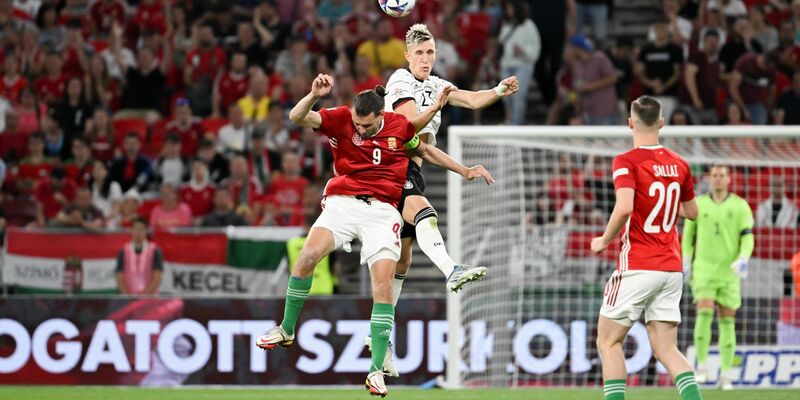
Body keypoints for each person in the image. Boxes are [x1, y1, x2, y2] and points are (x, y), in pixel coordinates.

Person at [255, 74, 493, 397]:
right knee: (308, 255)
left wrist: (464, 169)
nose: (360, 131)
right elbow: (296, 117)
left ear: (381, 116)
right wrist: (312, 95)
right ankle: (285, 329)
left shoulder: (398, 127)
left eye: (366, 126)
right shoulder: (341, 119)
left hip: (383, 211)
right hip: (343, 203)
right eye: (356, 123)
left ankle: (376, 371)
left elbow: (423, 145)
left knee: (382, 287)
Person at [383, 23, 518, 304]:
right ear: (407, 56)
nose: (425, 58)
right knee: (425, 214)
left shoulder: (436, 85)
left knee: (402, 261)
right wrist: (461, 168)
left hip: (411, 169)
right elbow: (410, 128)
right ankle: (450, 269)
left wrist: (499, 90)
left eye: (430, 52)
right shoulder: (400, 80)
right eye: (418, 52)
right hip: (391, 165)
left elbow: (471, 100)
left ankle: (380, 329)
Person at [590, 96, 702, 400]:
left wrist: (604, 240)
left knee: (608, 343)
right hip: (671, 267)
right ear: (662, 123)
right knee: (667, 348)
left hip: (638, 264)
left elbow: (625, 206)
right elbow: (692, 213)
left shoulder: (626, 161)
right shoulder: (680, 164)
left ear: (630, 123)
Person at [681, 165, 754, 390]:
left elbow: (748, 236)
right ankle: (701, 368)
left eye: (722, 175)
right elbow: (687, 235)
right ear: (709, 178)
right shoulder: (699, 204)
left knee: (727, 321)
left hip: (729, 272)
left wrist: (743, 258)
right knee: (704, 312)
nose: (718, 179)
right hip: (704, 269)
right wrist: (685, 260)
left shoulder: (740, 205)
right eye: (714, 175)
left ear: (729, 179)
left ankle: (727, 374)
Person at [116, 217, 163, 295]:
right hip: (128, 299)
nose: (138, 232)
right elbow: (119, 278)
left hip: (150, 298)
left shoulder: (155, 250)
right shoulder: (123, 251)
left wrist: (144, 296)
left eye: (141, 229)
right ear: (130, 230)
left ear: (147, 231)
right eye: (135, 229)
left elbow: (157, 278)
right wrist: (128, 297)